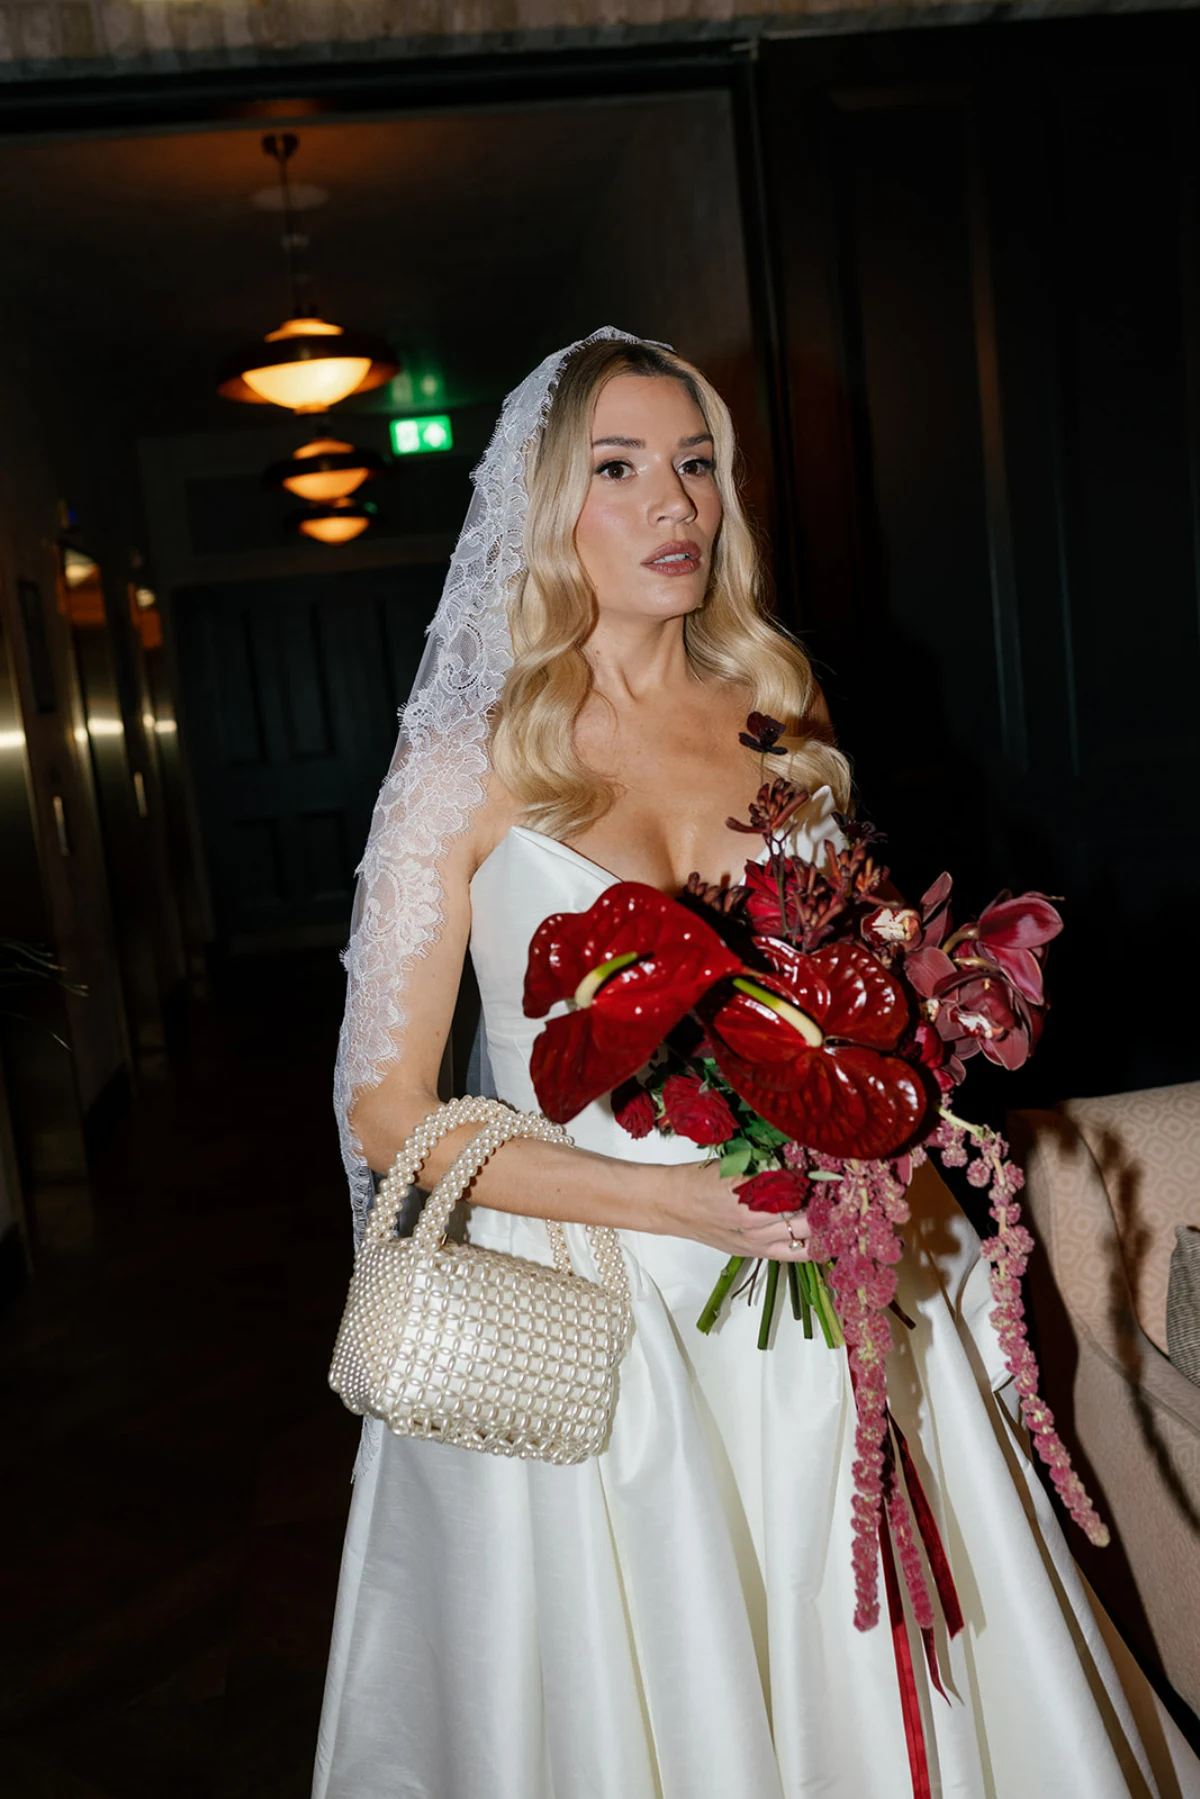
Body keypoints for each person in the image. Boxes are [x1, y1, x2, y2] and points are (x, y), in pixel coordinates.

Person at [314, 330, 1198, 1798]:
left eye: (697, 465)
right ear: (547, 512)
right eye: (620, 470)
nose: (676, 504)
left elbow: (859, 995)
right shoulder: (464, 763)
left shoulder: (777, 717)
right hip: (602, 1316)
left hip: (824, 1287)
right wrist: (673, 1207)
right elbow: (384, 1103)